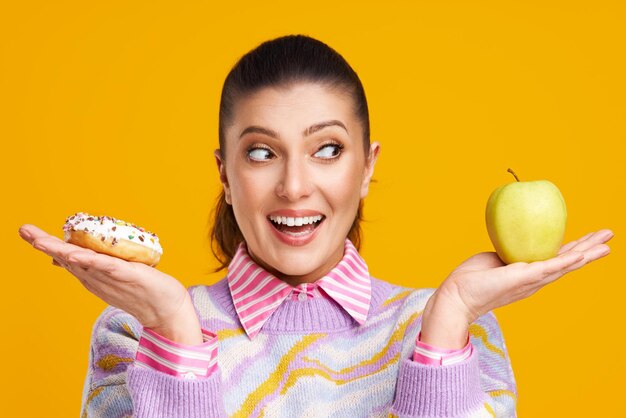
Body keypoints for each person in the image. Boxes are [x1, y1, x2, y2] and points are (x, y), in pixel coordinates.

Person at [19, 35, 613, 418]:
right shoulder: (135, 333)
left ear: (366, 168)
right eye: (261, 153)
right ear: (224, 175)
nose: (295, 186)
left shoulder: (459, 335)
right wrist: (177, 335)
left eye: (327, 150)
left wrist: (447, 320)